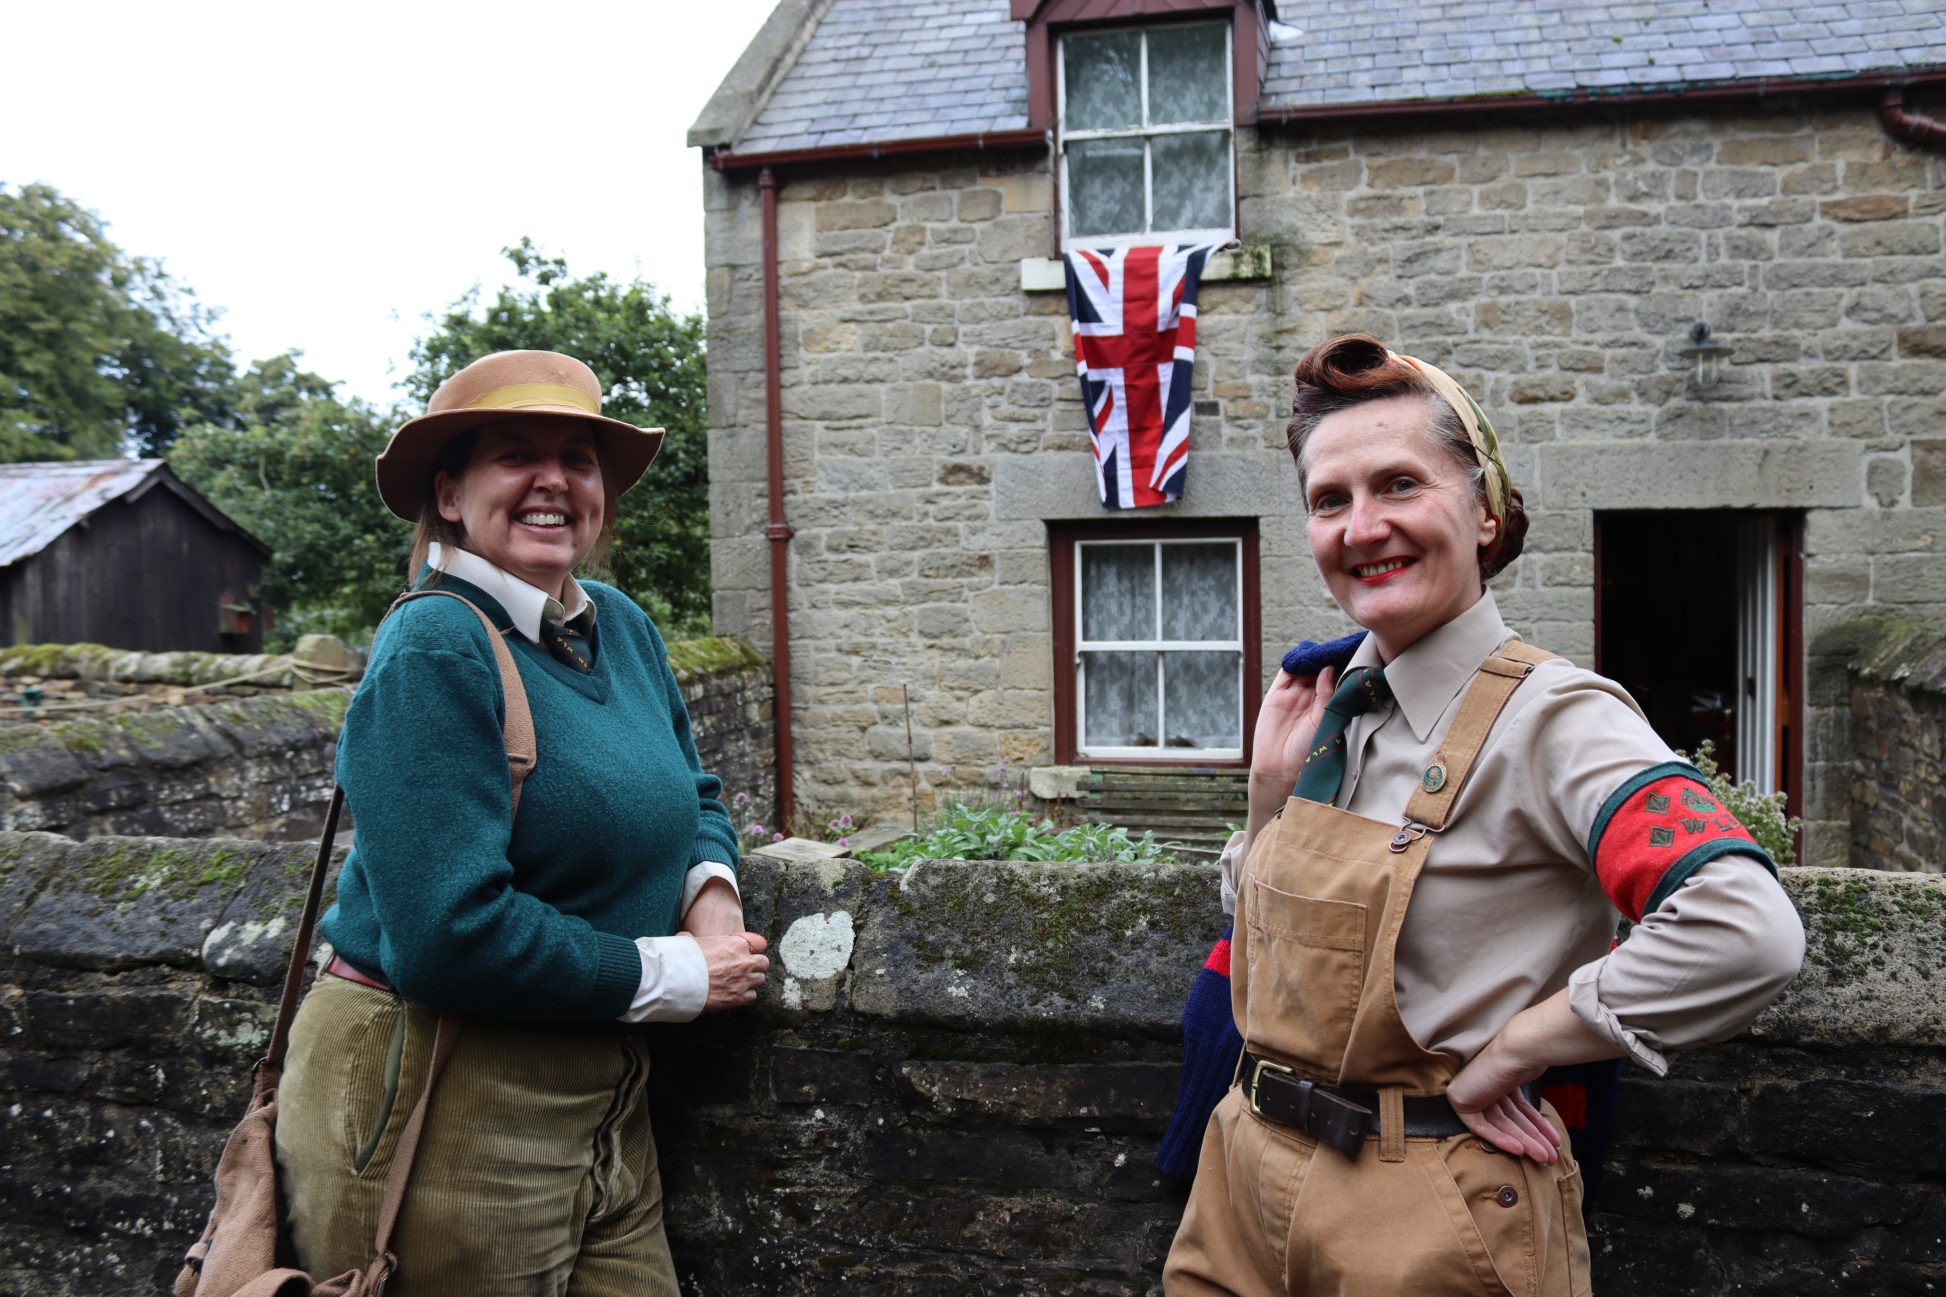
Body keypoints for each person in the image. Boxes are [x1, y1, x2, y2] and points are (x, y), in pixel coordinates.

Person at [1163, 334, 1804, 1296]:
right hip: (1242, 1187)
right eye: (1330, 500)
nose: (1362, 525)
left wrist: (1515, 1051)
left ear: (1486, 510)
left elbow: (1745, 930)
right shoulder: (1332, 703)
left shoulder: (1558, 718)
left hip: (1426, 1216)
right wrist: (1267, 799)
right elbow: (1274, 945)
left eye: (1399, 485)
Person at [272, 349, 769, 1295]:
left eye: (578, 459)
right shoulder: (433, 644)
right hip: (437, 1085)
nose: (555, 481)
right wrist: (676, 972)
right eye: (516, 454)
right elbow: (450, 934)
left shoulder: (616, 622)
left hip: (604, 1087)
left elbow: (695, 789)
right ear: (451, 494)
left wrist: (709, 893)